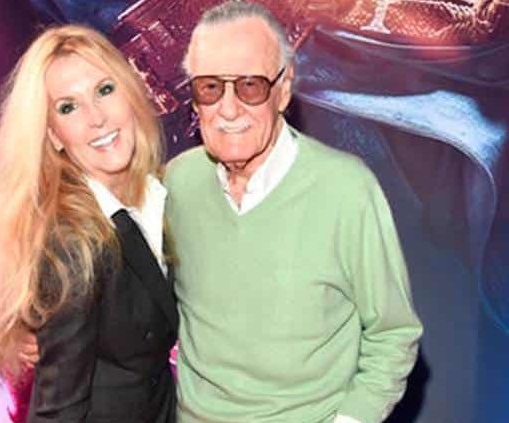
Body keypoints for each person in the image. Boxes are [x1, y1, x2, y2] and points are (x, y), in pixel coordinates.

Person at [163, 2, 423, 423]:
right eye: (209, 87)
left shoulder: (346, 189)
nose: (228, 109)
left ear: (283, 90)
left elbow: (393, 333)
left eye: (249, 86)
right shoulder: (178, 182)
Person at [0, 24, 178, 423]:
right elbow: (59, 410)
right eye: (68, 107)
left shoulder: (158, 194)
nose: (97, 118)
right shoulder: (74, 243)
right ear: (53, 135)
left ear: (130, 92)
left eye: (104, 90)